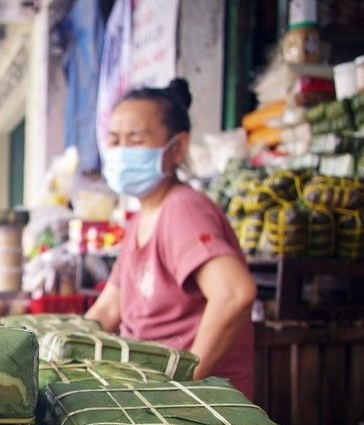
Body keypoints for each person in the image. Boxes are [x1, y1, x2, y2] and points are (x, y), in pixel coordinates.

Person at [85, 78, 257, 398]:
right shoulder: (143, 218)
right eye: (115, 140)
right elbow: (109, 309)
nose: (121, 152)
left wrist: (183, 383)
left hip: (199, 405)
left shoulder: (182, 210)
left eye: (135, 140)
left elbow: (235, 294)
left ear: (177, 148)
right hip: (151, 389)